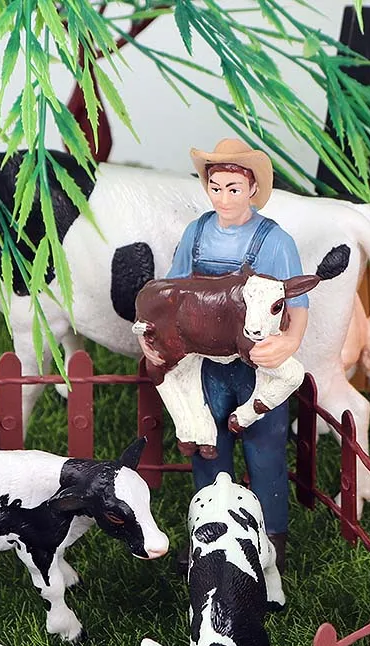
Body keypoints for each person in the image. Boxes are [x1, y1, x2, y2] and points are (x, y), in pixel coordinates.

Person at [138, 138, 309, 573]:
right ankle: (209, 535)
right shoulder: (196, 233)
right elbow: (171, 292)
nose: (223, 198)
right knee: (208, 448)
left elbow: (298, 306)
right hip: (204, 364)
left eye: (233, 189)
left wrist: (289, 342)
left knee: (265, 449)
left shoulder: (275, 241)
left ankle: (271, 540)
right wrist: (152, 334)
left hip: (256, 365)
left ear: (252, 189)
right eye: (215, 188)